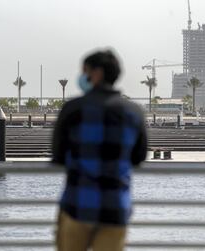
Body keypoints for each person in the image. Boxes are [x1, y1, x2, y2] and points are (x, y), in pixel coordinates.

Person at [52, 50, 147, 251]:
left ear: (96, 73)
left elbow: (58, 156)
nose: (82, 77)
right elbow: (139, 157)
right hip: (115, 208)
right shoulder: (134, 113)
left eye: (85, 71)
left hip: (77, 205)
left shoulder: (73, 109)